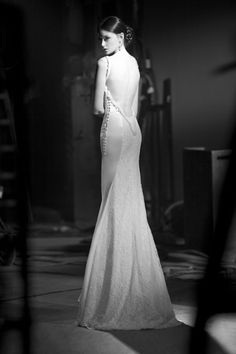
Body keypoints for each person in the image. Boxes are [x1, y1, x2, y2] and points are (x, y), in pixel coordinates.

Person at [77, 16, 180, 330]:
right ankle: (134, 288)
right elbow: (135, 107)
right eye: (101, 38)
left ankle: (110, 294)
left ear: (121, 37)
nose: (102, 43)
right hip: (133, 132)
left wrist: (106, 100)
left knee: (110, 202)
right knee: (130, 204)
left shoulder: (103, 64)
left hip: (114, 130)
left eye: (107, 37)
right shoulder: (135, 65)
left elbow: (97, 107)